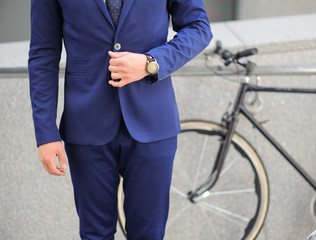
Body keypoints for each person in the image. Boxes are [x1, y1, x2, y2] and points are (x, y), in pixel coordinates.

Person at [28, 0, 212, 239]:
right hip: (86, 124)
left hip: (153, 123)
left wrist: (151, 63)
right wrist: (46, 134)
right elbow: (43, 53)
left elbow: (199, 27)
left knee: (149, 234)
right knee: (95, 234)